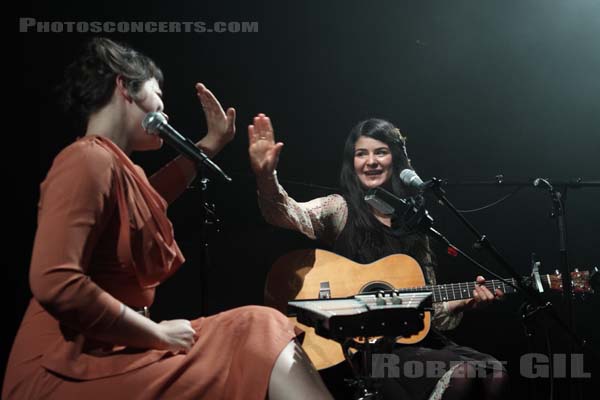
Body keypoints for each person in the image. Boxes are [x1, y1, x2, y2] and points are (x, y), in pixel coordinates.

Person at [3, 38, 333, 400]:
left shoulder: (115, 167)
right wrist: (155, 334)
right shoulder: (86, 159)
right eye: (157, 93)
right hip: (65, 366)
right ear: (124, 88)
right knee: (257, 326)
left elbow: (149, 201)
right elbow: (56, 283)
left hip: (107, 350)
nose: (165, 108)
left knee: (258, 326)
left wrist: (211, 143)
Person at [248, 114, 509, 399]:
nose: (371, 161)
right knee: (464, 374)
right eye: (362, 154)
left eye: (380, 152)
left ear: (395, 159)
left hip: (414, 346)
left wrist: (464, 302)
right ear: (353, 163)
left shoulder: (415, 227)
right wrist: (266, 176)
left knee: (493, 372)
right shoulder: (339, 209)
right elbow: (287, 213)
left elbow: (427, 313)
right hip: (365, 350)